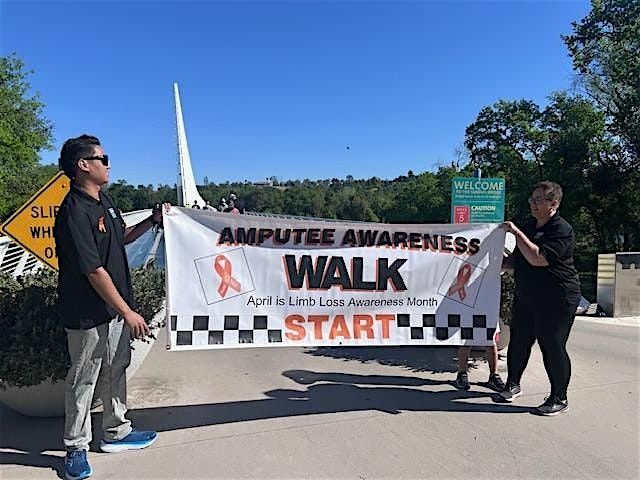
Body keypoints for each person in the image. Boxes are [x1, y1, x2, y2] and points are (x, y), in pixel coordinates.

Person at [54, 135, 167, 480]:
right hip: (87, 311)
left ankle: (116, 431)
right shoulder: (74, 211)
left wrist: (152, 221)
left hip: (115, 307)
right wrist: (129, 312)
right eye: (103, 159)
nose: (109, 164)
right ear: (83, 165)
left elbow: (122, 236)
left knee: (116, 367)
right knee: (84, 377)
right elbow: (93, 270)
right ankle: (76, 447)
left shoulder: (105, 200)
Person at [498, 181, 581, 416]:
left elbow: (538, 258)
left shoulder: (561, 229)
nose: (533, 204)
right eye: (531, 199)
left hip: (557, 298)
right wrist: (484, 259)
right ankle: (512, 384)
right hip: (527, 296)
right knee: (519, 341)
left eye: (538, 200)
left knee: (552, 345)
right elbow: (516, 261)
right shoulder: (530, 227)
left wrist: (516, 233)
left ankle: (559, 397)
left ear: (554, 203)